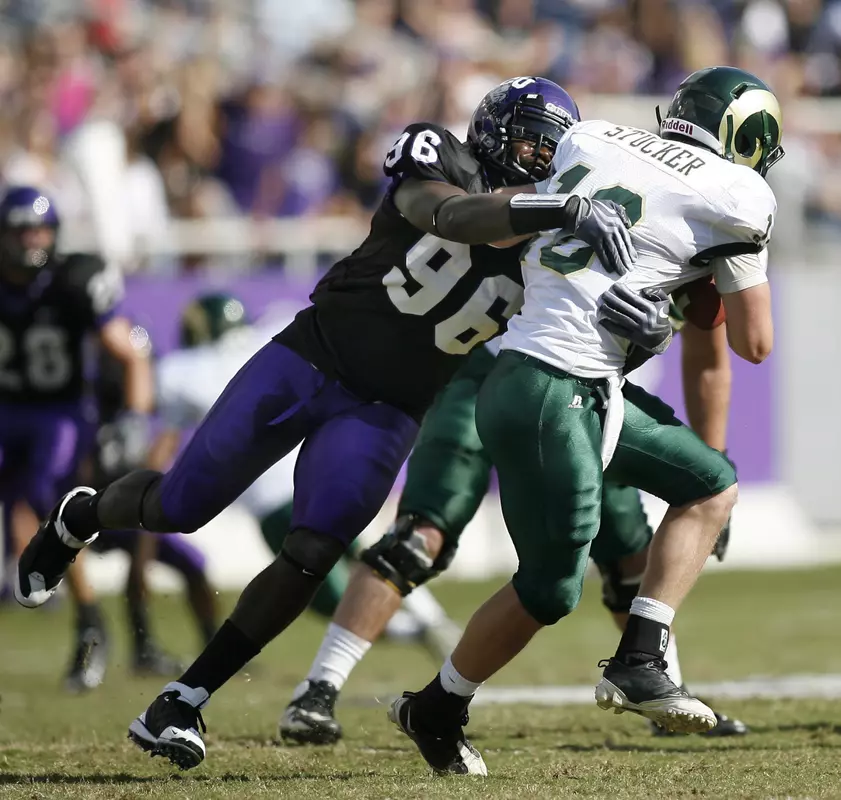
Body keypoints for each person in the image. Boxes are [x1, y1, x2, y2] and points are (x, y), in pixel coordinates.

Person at [16, 77, 636, 770]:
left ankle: (183, 700)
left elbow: (583, 330)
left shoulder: (554, 238)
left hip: (389, 406)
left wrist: (640, 324)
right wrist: (558, 207)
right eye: (532, 141)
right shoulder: (443, 157)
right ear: (493, 129)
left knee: (313, 553)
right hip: (310, 358)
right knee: (180, 506)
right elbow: (451, 215)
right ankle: (81, 516)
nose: (543, 157)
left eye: (553, 149)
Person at [388, 65, 781, 776]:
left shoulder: (593, 137)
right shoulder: (739, 194)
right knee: (549, 590)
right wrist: (685, 303)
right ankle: (437, 708)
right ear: (748, 138)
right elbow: (754, 345)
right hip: (556, 386)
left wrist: (651, 322)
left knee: (709, 485)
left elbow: (518, 238)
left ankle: (640, 658)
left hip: (545, 377)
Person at [279, 310, 746, 744]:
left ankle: (665, 690)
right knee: (416, 542)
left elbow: (713, 350)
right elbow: (755, 340)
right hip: (501, 371)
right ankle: (318, 689)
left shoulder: (704, 266)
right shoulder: (665, 251)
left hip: (593, 394)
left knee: (627, 552)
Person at [0, 185, 154, 691]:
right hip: (7, 407)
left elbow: (129, 353)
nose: (31, 240)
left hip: (59, 412)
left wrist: (134, 417)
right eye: (21, 231)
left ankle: (89, 620)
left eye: (39, 230)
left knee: (45, 494)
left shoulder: (73, 280)